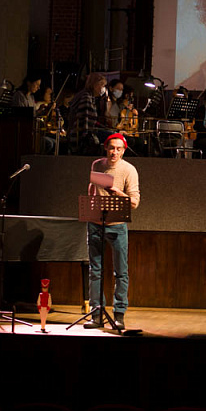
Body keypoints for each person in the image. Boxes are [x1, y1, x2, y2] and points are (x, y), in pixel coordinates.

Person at [85, 134, 140, 330]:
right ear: (106, 149)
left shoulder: (129, 170)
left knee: (121, 272)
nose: (114, 152)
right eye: (111, 148)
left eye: (118, 149)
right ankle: (96, 313)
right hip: (95, 223)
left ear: (123, 151)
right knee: (95, 271)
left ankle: (119, 314)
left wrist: (117, 191)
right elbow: (92, 191)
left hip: (117, 225)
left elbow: (134, 203)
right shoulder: (97, 165)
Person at [69, 73, 108, 154]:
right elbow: (84, 121)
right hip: (80, 137)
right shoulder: (86, 97)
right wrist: (86, 136)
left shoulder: (89, 96)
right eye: (102, 85)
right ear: (95, 84)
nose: (103, 88)